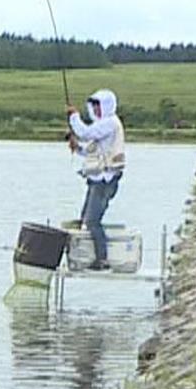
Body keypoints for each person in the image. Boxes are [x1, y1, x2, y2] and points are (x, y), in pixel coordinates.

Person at [67, 89, 127, 271]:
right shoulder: (103, 126)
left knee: (92, 220)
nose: (95, 110)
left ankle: (102, 259)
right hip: (98, 180)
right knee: (86, 218)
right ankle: (93, 256)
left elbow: (84, 132)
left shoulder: (110, 123)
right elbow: (89, 149)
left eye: (98, 106)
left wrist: (74, 117)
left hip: (105, 181)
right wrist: (76, 147)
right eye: (94, 106)